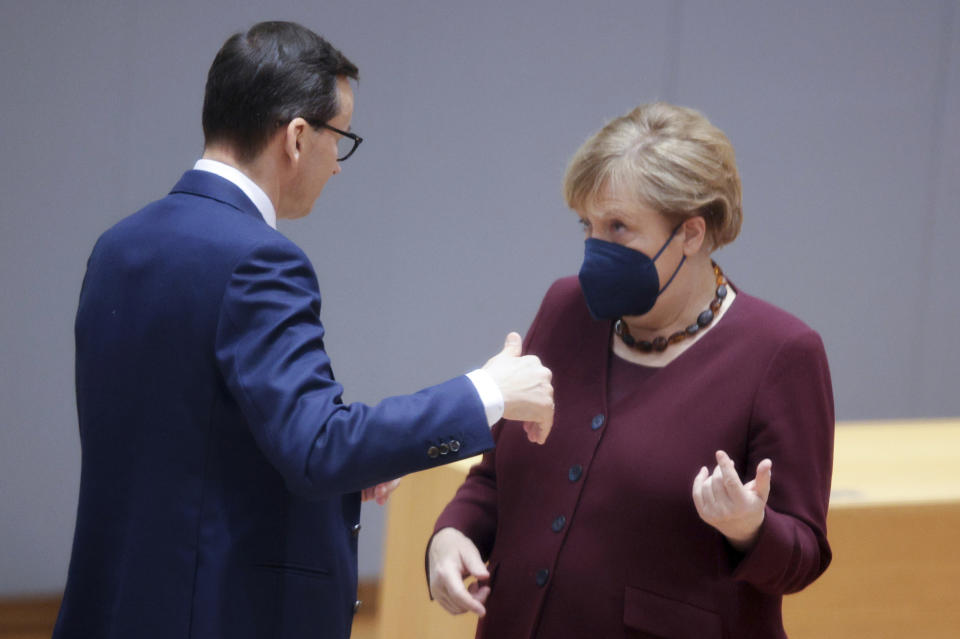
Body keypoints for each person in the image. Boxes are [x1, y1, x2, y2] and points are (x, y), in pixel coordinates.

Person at [53, 21, 554, 639]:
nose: (338, 166)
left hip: (114, 604)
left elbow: (184, 436)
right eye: (339, 138)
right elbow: (318, 449)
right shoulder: (259, 258)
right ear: (296, 136)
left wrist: (356, 463)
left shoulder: (118, 246)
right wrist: (489, 390)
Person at [427, 102, 834, 638]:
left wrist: (749, 528)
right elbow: (496, 477)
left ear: (691, 233)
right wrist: (452, 534)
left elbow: (803, 556)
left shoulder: (781, 352)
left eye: (619, 228)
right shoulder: (566, 308)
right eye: (588, 226)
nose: (597, 250)